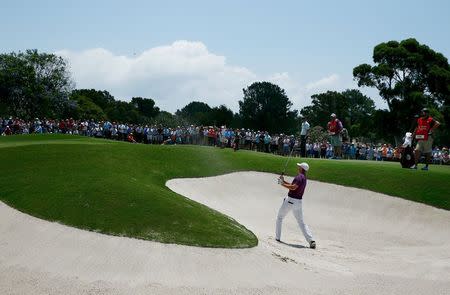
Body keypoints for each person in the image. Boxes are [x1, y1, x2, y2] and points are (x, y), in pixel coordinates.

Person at [275, 162, 316, 249]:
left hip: (290, 201)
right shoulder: (304, 178)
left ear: (302, 169)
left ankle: (277, 238)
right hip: (298, 203)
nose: (298, 167)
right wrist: (283, 181)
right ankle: (311, 240)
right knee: (301, 222)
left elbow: (293, 187)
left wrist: (281, 184)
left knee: (279, 217)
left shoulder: (299, 177)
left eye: (299, 166)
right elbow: (293, 185)